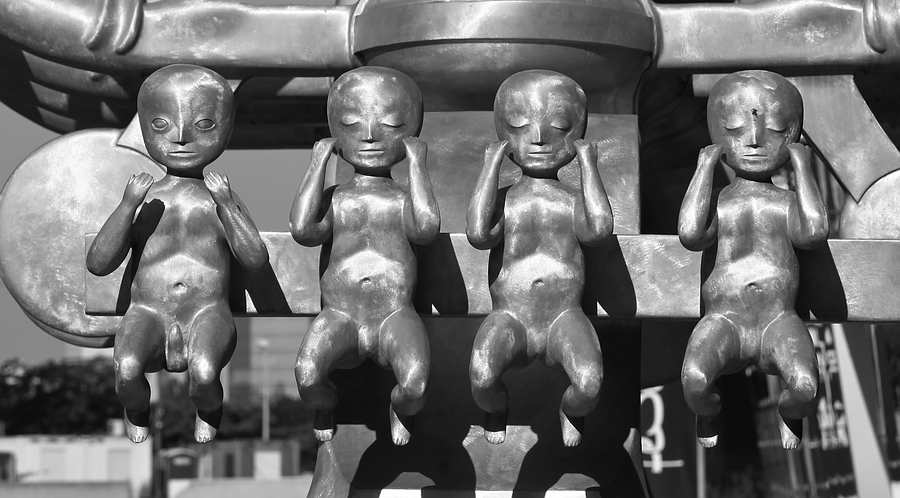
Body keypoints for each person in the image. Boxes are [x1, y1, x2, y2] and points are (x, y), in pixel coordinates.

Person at [87, 64, 268, 443]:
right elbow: (99, 263)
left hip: (207, 311)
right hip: (148, 310)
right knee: (127, 369)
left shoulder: (219, 198)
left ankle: (209, 408)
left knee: (205, 373)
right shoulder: (145, 199)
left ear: (224, 128)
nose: (182, 137)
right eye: (161, 125)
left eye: (203, 125)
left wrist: (226, 204)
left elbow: (254, 258)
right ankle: (137, 408)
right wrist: (128, 205)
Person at [678, 70, 828, 450]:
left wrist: (802, 167)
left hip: (778, 320)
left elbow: (814, 232)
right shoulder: (720, 202)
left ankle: (790, 412)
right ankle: (708, 410)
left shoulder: (785, 203)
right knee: (694, 381)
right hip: (724, 319)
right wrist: (704, 168)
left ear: (791, 137)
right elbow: (691, 234)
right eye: (734, 128)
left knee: (806, 387)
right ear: (718, 133)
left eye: (775, 130)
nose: (755, 140)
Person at [291, 66, 440, 446]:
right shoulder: (337, 198)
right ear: (336, 132)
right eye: (351, 125)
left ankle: (400, 408)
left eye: (390, 124)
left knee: (416, 384)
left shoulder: (401, 199)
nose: (370, 135)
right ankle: (326, 403)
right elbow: (304, 230)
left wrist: (417, 165)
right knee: (307, 374)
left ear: (410, 131)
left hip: (394, 312)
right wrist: (317, 163)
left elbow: (425, 229)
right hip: (340, 312)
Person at [467, 70, 612, 447]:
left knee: (589, 384)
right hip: (511, 314)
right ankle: (496, 407)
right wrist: (490, 166)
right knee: (481, 376)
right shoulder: (506, 199)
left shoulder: (571, 199)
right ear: (504, 134)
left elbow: (599, 230)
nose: (538, 137)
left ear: (576, 134)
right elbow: (479, 234)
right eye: (519, 126)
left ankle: (571, 409)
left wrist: (588, 165)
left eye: (559, 127)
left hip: (564, 316)